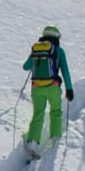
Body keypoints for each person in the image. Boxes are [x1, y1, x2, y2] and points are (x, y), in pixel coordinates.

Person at [23, 26, 73, 159]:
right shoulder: (59, 51)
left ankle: (33, 143)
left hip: (37, 88)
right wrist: (69, 89)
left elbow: (26, 67)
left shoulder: (37, 49)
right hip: (53, 87)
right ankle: (55, 140)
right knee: (56, 111)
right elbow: (65, 72)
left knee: (38, 114)